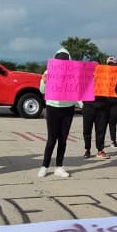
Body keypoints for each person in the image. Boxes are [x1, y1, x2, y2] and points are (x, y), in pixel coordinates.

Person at [39, 48, 76, 178]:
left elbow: (79, 90)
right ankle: (45, 165)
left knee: (63, 139)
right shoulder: (49, 71)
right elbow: (42, 90)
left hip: (68, 109)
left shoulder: (74, 72)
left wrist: (88, 82)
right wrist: (44, 81)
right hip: (53, 108)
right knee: (51, 139)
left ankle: (59, 167)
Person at [105, 56, 117, 149]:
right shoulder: (103, 74)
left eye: (113, 64)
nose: (111, 66)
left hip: (115, 100)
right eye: (109, 64)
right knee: (102, 123)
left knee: (112, 121)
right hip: (105, 100)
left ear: (116, 65)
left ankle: (113, 140)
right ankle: (100, 142)